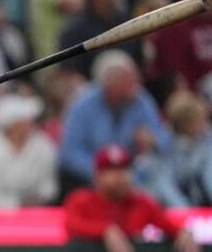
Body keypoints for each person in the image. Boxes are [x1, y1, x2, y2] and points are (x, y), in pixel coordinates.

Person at [64, 145, 200, 252]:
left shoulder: (140, 202)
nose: (120, 176)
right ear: (97, 176)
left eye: (123, 169)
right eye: (111, 170)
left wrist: (182, 232)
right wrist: (106, 230)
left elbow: (167, 225)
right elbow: (71, 224)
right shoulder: (81, 200)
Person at [59, 50, 170, 195]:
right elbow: (70, 152)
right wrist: (104, 172)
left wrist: (152, 140)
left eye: (134, 80)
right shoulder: (82, 104)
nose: (134, 87)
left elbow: (165, 139)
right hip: (90, 179)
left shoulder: (141, 99)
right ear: (108, 84)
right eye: (127, 81)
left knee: (157, 171)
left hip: (133, 178)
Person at [0, 94, 58, 208]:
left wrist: (37, 200)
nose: (30, 125)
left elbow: (49, 185)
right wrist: (15, 205)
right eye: (24, 121)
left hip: (36, 211)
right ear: (12, 125)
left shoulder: (43, 145)